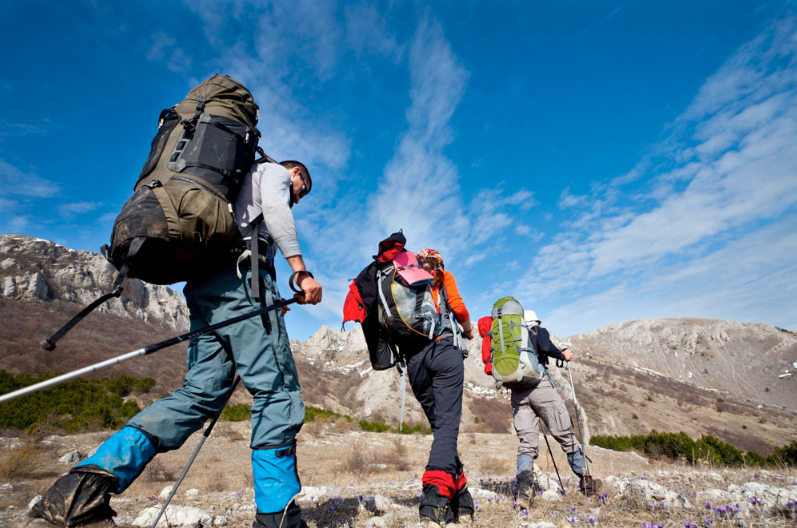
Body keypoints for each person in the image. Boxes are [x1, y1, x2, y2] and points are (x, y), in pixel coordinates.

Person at [31, 159, 322, 528]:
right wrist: (301, 271)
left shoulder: (232, 184)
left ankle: (80, 491)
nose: (300, 196)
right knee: (277, 392)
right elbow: (279, 211)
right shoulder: (274, 172)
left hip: (204, 288)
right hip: (241, 282)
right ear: (295, 173)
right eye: (303, 189)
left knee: (198, 394)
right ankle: (278, 519)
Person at [346, 235, 475, 528]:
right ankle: (434, 497)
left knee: (441, 429)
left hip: (414, 361)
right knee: (447, 426)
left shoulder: (404, 280)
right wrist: (467, 331)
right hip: (444, 351)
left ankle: (461, 496)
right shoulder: (441, 276)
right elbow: (458, 307)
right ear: (438, 262)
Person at [511, 309, 593, 507]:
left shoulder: (511, 337)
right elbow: (546, 346)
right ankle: (586, 481)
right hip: (541, 387)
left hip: (518, 392)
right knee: (564, 433)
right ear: (535, 322)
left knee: (527, 443)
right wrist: (563, 355)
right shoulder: (538, 331)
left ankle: (524, 491)